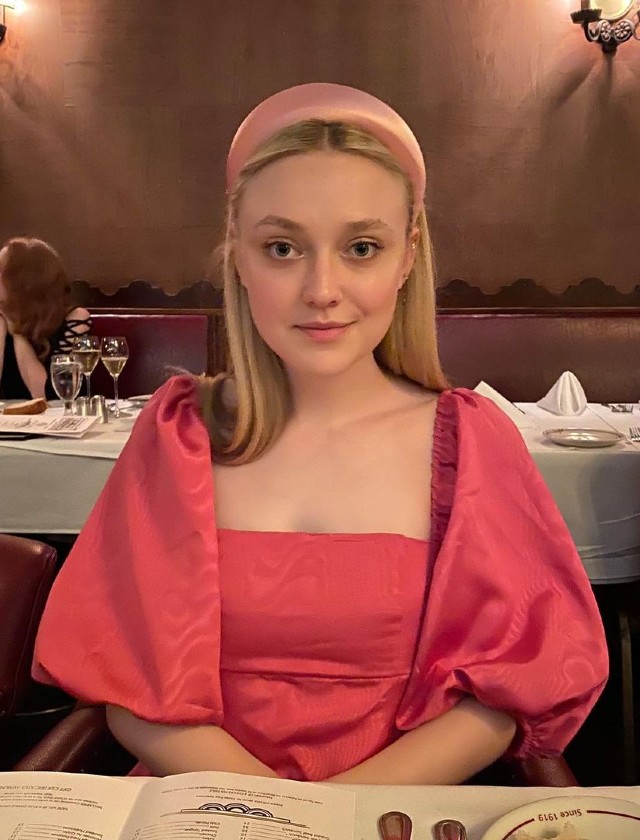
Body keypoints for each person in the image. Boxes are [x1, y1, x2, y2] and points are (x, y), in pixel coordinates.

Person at [33, 83, 608, 785]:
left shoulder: (469, 443)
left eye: (362, 247)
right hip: (198, 807)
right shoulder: (180, 434)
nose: (322, 289)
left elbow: (503, 691)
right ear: (238, 256)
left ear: (407, 256)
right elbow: (127, 683)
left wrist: (334, 818)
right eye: (282, 248)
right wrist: (272, 819)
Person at [0, 237, 91, 400]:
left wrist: (16, 332)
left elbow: (47, 395)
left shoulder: (75, 319)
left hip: (60, 414)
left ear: (23, 281)